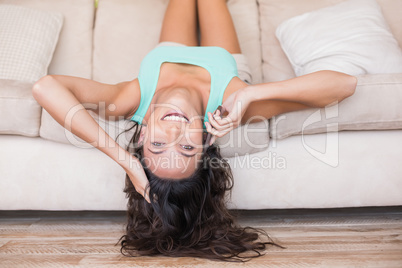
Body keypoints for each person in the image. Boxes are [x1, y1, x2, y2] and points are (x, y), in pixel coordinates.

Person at [32, 0, 357, 261]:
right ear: (205, 140)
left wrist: (126, 161)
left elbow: (46, 87)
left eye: (158, 145)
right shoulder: (228, 104)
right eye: (187, 148)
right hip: (223, 61)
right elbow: (344, 84)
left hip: (168, 51)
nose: (174, 131)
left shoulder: (131, 100)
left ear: (142, 134)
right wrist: (250, 92)